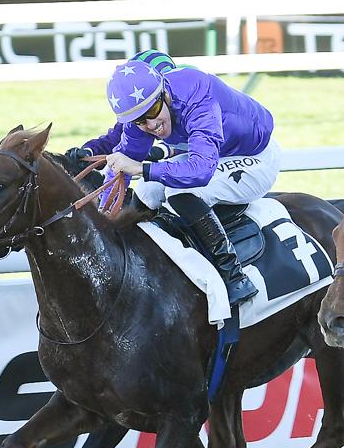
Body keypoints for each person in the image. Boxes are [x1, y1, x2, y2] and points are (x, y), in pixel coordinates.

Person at [94, 54, 280, 305]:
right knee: (148, 191)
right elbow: (121, 167)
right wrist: (102, 214)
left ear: (164, 94)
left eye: (153, 111)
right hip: (216, 155)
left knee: (179, 193)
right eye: (140, 120)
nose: (151, 125)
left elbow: (201, 171)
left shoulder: (197, 94)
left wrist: (143, 168)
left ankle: (233, 276)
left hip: (256, 157)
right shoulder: (140, 114)